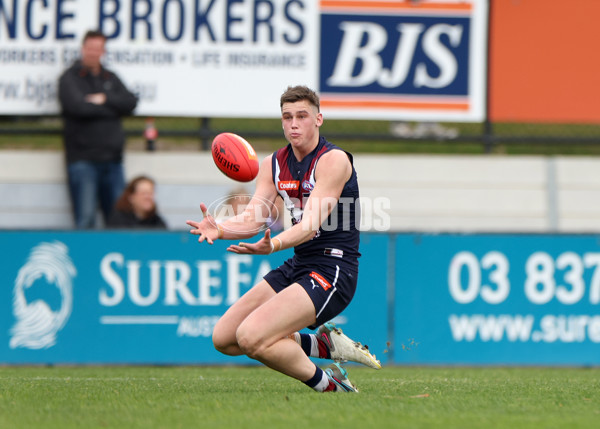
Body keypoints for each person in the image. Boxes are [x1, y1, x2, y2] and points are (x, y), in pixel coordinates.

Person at [187, 85, 381, 393]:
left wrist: (272, 245)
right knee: (225, 337)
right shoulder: (273, 164)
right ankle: (321, 344)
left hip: (333, 269)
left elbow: (308, 226)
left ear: (318, 119)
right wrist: (219, 229)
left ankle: (334, 388)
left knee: (251, 336)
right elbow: (253, 218)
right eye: (287, 117)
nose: (294, 124)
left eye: (302, 116)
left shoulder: (334, 160)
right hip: (299, 264)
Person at [58, 30, 138, 229]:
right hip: (83, 161)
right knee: (85, 220)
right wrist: (112, 108)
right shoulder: (70, 77)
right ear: (83, 49)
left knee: (119, 220)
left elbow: (130, 103)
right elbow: (77, 107)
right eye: (90, 48)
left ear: (103, 51)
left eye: (98, 48)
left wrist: (104, 99)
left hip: (113, 161)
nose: (93, 53)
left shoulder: (110, 77)